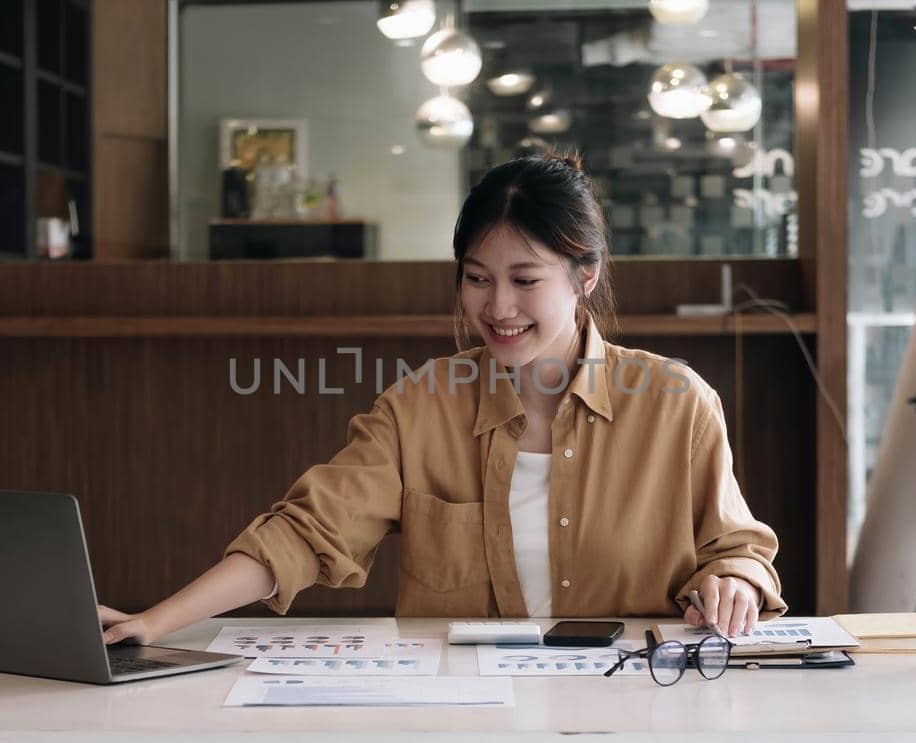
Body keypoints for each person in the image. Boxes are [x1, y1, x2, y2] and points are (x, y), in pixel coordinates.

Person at [99, 153, 785, 645]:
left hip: (637, 706)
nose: (498, 307)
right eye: (477, 278)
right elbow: (305, 532)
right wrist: (154, 621)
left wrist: (734, 580)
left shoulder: (675, 402)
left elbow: (738, 549)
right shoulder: (420, 406)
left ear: (585, 275)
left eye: (524, 279)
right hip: (461, 712)